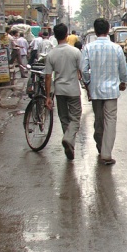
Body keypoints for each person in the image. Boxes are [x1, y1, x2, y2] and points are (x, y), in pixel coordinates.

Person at [81, 18, 127, 165]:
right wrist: (123, 81)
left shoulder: (88, 48)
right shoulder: (116, 48)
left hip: (95, 90)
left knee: (99, 119)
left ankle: (100, 144)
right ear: (108, 30)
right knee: (110, 121)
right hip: (112, 91)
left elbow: (84, 70)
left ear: (95, 31)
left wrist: (88, 84)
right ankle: (106, 154)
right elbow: (122, 68)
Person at [44, 23, 82, 161]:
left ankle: (69, 142)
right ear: (67, 35)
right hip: (73, 90)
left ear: (55, 36)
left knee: (64, 118)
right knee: (75, 118)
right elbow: (82, 71)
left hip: (59, 91)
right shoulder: (75, 52)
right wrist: (87, 87)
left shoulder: (51, 54)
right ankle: (68, 139)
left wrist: (48, 97)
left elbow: (48, 77)